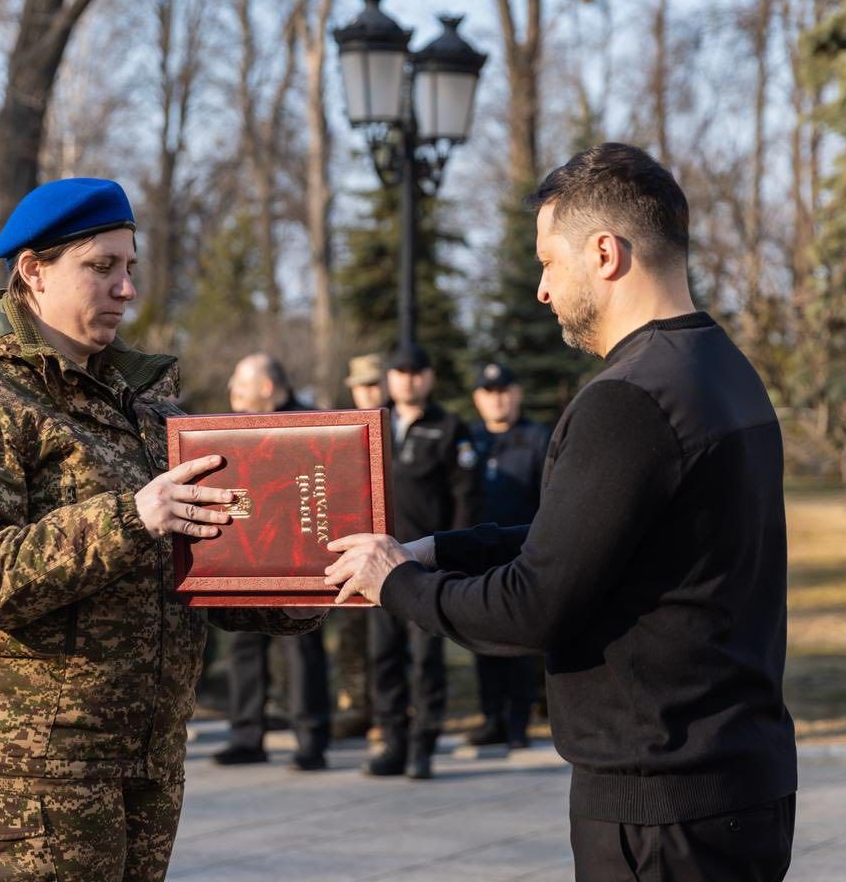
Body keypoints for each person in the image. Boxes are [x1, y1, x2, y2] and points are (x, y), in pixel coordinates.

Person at [326, 143, 798, 882]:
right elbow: (601, 539)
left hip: (661, 804)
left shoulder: (627, 398)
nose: (542, 290)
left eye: (549, 262)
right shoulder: (721, 369)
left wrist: (398, 585)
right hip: (735, 781)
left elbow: (533, 606)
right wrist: (437, 550)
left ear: (604, 253)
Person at [0, 177, 324, 881]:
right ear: (33, 272)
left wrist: (306, 581)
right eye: (100, 267)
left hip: (145, 752)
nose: (124, 288)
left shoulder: (142, 404)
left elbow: (193, 557)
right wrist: (129, 517)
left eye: (129, 267)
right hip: (37, 771)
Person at [364, 344, 482, 780]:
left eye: (417, 372)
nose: (409, 379)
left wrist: (453, 555)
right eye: (400, 371)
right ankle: (392, 744)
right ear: (390, 377)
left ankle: (422, 747)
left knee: (426, 660)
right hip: (376, 563)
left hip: (424, 568)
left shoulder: (450, 428)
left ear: (429, 377)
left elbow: (466, 498)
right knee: (384, 657)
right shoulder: (374, 423)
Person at [213, 353, 331, 771]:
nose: (234, 398)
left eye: (240, 389)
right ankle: (247, 736)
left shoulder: (313, 426)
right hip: (249, 555)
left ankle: (310, 741)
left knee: (302, 648)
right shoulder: (235, 431)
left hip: (300, 560)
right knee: (244, 644)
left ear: (265, 388)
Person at [465, 361, 551, 752]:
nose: (497, 399)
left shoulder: (537, 439)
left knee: (517, 642)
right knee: (481, 638)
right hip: (480, 557)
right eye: (489, 393)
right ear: (478, 399)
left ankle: (519, 720)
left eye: (504, 391)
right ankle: (492, 718)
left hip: (521, 556)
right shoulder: (469, 441)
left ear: (516, 394)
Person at [331, 352, 384, 741]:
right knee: (351, 639)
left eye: (373, 383)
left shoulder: (400, 426)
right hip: (349, 551)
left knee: (390, 642)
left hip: (396, 553)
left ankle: (389, 714)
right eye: (362, 385)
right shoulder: (340, 431)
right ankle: (356, 707)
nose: (368, 392)